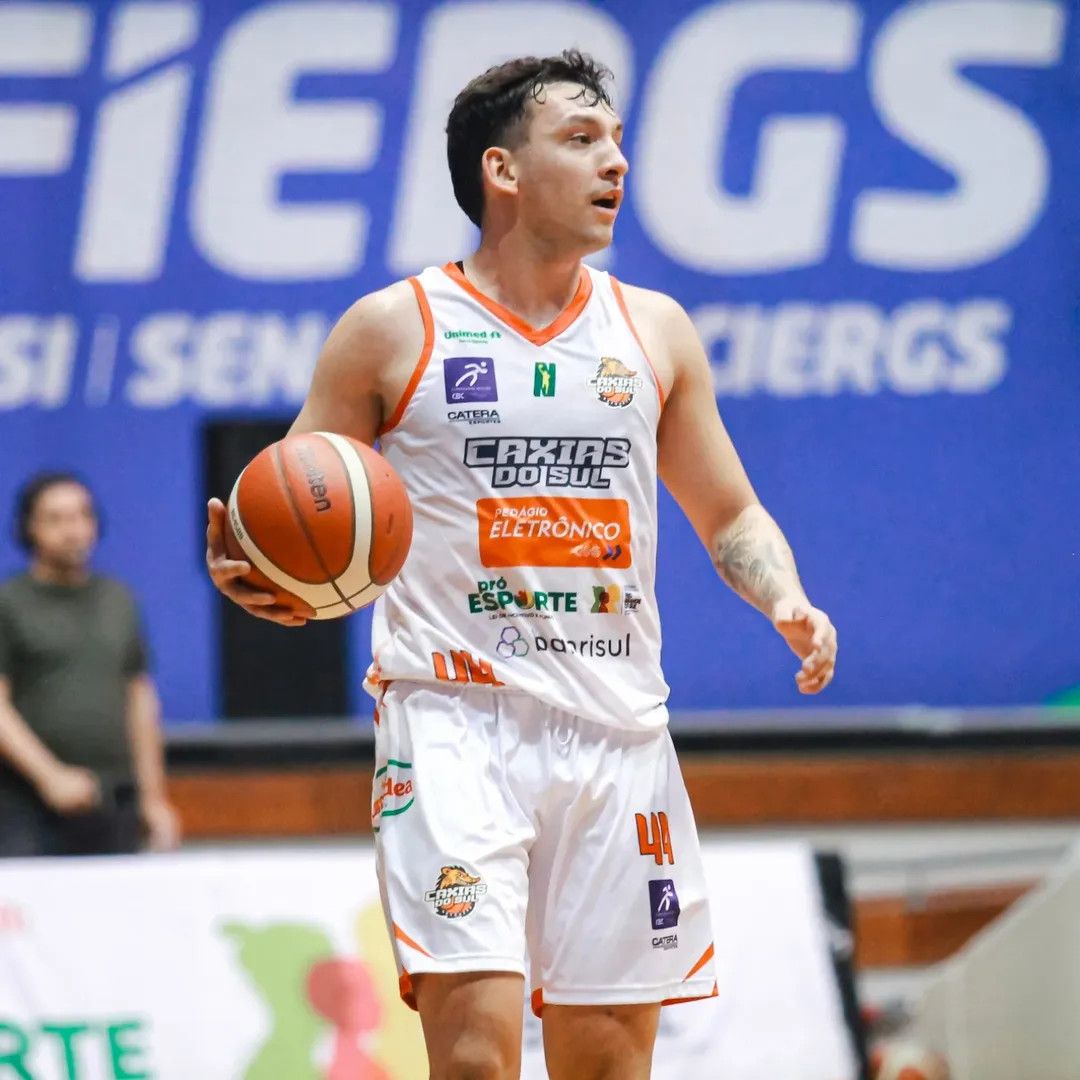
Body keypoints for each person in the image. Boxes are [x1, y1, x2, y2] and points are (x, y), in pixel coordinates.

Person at [206, 51, 837, 1080]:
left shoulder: (654, 330)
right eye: (582, 140)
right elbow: (294, 508)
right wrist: (264, 574)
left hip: (618, 728)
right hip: (453, 722)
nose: (616, 162)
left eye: (618, 141)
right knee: (475, 1060)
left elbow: (730, 513)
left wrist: (786, 596)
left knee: (608, 1066)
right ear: (501, 170)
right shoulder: (390, 328)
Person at [0, 472, 180, 857]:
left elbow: (139, 699)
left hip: (114, 802)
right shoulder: (9, 603)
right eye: (56, 518)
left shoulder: (118, 600)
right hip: (25, 806)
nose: (73, 530)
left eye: (82, 516)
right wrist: (50, 776)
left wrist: (153, 798)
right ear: (29, 528)